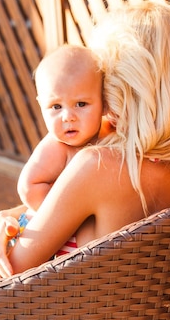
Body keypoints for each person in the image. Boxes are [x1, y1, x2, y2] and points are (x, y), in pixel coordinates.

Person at [0, 0, 170, 281]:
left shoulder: (98, 166)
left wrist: (1, 228)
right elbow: (67, 207)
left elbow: (3, 278)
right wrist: (10, 215)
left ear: (126, 86)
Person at [7, 44, 109, 248]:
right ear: (41, 105)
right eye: (55, 107)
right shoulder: (57, 147)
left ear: (104, 103)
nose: (68, 117)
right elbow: (28, 186)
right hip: (39, 233)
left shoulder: (106, 137)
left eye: (81, 104)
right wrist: (65, 218)